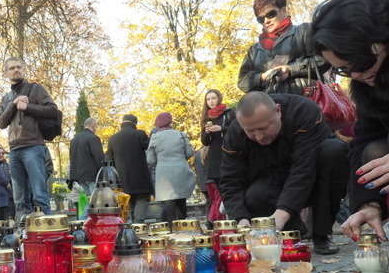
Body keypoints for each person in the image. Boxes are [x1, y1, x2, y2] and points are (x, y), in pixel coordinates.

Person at [219, 92, 349, 254]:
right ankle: (290, 234)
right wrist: (240, 219)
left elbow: (303, 170)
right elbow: (230, 180)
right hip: (271, 177)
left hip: (313, 171)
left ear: (278, 111)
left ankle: (321, 233)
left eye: (263, 128)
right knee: (255, 196)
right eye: (250, 131)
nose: (259, 137)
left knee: (333, 151)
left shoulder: (304, 111)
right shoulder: (234, 133)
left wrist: (281, 214)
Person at [310, 0, 389, 241]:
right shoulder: (370, 84)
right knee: (375, 149)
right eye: (344, 70)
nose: (355, 75)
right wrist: (368, 204)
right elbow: (364, 140)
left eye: (357, 62)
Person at [0, 57, 59, 217]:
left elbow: (52, 110)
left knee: (39, 194)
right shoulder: (6, 98)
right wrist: (13, 104)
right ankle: (22, 227)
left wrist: (27, 107)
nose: (16, 70)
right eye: (12, 68)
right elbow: (1, 123)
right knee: (19, 197)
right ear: (6, 73)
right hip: (14, 150)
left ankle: (45, 225)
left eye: (19, 67)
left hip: (33, 146)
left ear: (24, 70)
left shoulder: (35, 89)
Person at [238, 0, 329, 95]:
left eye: (270, 14)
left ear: (283, 11)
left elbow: (324, 59)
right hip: (270, 103)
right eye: (261, 19)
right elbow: (242, 82)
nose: (266, 21)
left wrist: (291, 69)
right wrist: (261, 77)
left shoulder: (304, 31)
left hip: (307, 99)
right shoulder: (254, 50)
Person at [146, 112, 196, 220]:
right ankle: (182, 225)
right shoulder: (181, 135)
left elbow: (150, 160)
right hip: (181, 171)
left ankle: (171, 226)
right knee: (181, 200)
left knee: (168, 203)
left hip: (163, 175)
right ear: (170, 122)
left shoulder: (155, 137)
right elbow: (189, 153)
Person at [106, 114, 153, 222]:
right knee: (142, 199)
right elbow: (149, 147)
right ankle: (138, 223)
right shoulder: (140, 134)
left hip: (123, 179)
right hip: (141, 178)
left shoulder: (113, 139)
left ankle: (131, 225)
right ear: (134, 123)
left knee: (128, 202)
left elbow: (109, 160)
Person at [200, 89, 235, 222]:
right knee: (220, 190)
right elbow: (204, 142)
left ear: (219, 98)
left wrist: (221, 129)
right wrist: (207, 132)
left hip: (227, 154)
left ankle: (233, 217)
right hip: (214, 158)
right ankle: (226, 220)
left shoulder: (228, 113)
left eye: (213, 98)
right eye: (208, 99)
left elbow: (236, 130)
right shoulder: (207, 117)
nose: (211, 101)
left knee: (230, 188)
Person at [69, 117, 105, 195]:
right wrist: (103, 175)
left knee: (85, 200)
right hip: (92, 177)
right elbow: (99, 158)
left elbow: (72, 159)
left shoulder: (74, 140)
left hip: (79, 178)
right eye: (96, 126)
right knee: (95, 200)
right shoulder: (93, 138)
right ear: (93, 125)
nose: (96, 129)